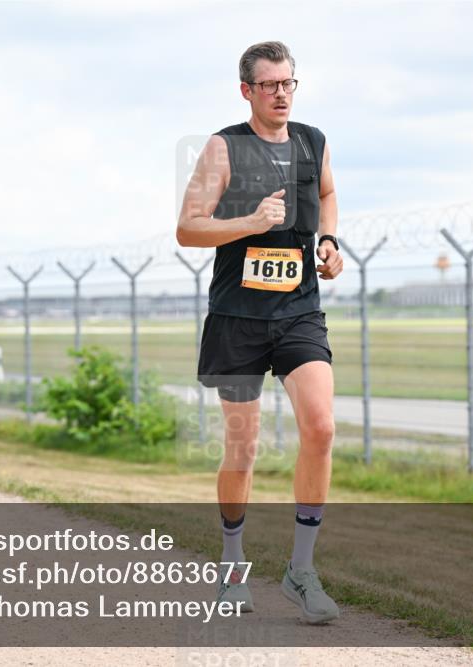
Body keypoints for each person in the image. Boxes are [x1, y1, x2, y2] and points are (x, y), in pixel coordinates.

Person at [176, 41, 343, 623]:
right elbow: (188, 228)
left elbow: (326, 193)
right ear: (246, 90)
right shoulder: (224, 147)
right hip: (238, 318)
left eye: (288, 83)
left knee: (320, 427)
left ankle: (301, 572)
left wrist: (329, 241)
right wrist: (249, 222)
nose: (280, 94)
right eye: (269, 85)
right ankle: (231, 569)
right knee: (243, 449)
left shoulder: (312, 142)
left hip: (299, 311)